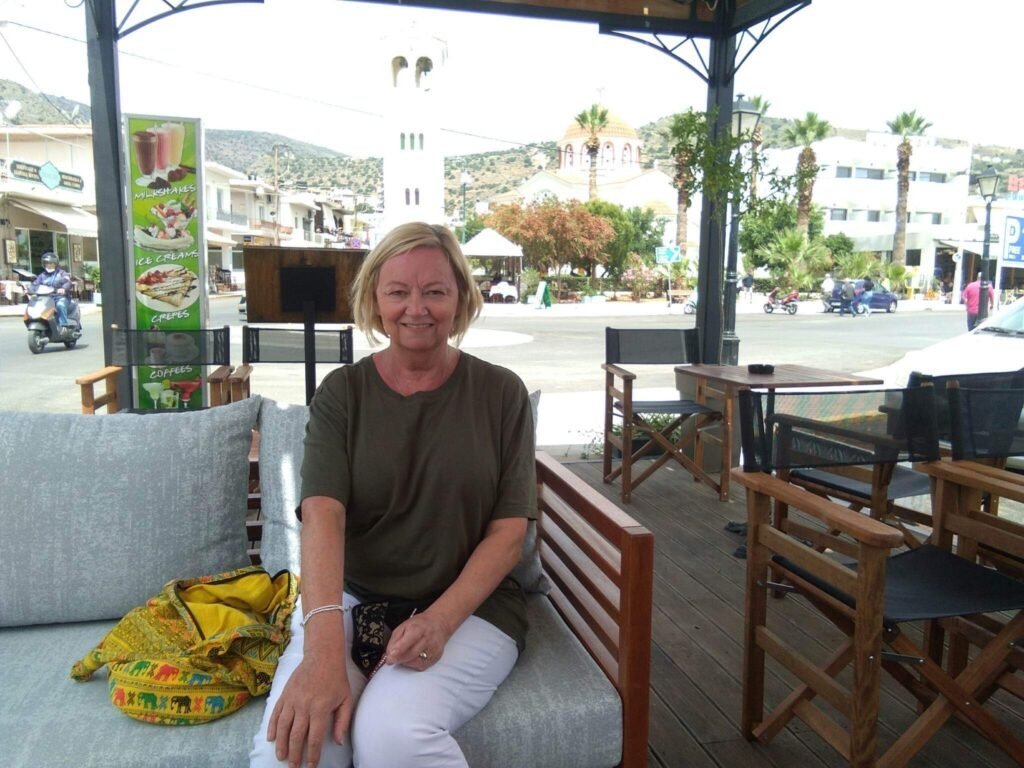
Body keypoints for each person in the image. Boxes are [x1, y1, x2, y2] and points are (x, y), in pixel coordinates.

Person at [250, 223, 535, 768]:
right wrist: (324, 649)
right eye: (398, 291)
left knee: (393, 734)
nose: (416, 308)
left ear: (461, 299)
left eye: (435, 291)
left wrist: (441, 621)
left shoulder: (501, 393)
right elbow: (322, 516)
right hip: (354, 601)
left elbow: (508, 533)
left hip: (469, 609)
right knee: (291, 751)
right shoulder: (343, 393)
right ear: (375, 302)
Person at [32, 252, 74, 326]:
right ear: (44, 264)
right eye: (47, 263)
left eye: (52, 263)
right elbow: (35, 284)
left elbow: (68, 281)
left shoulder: (61, 273)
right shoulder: (41, 276)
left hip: (59, 297)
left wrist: (63, 288)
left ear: (55, 264)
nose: (49, 265)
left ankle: (63, 325)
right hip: (46, 298)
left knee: (60, 305)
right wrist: (28, 289)